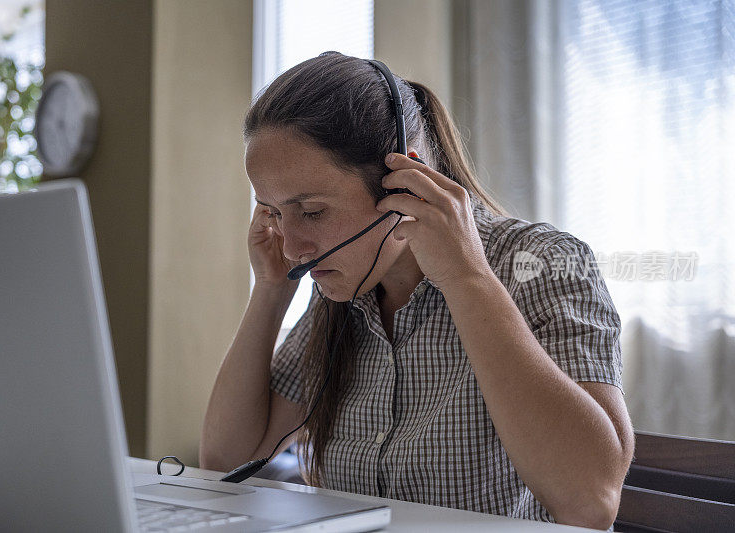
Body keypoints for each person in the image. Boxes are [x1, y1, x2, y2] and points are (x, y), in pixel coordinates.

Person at [199, 51, 634, 531]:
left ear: (405, 184)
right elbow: (224, 463)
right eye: (274, 212)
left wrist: (466, 278)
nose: (294, 244)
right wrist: (270, 289)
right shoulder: (344, 291)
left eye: (313, 211)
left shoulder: (539, 262)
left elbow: (590, 501)